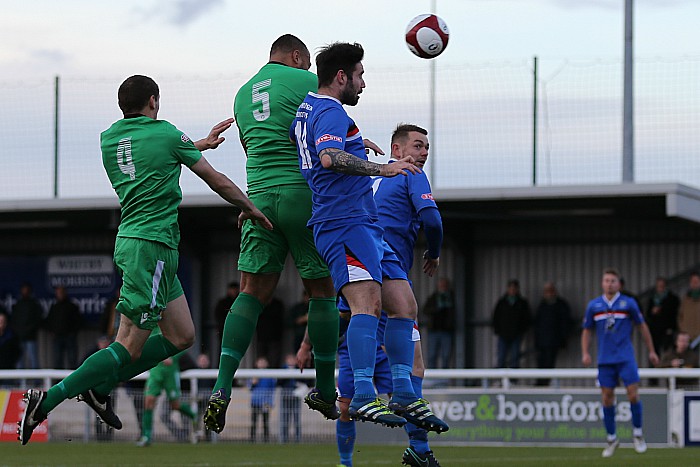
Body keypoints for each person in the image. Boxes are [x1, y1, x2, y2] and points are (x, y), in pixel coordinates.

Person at [18, 74, 272, 445]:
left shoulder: (109, 139)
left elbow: (153, 156)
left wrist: (197, 144)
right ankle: (48, 399)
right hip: (151, 247)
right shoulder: (167, 134)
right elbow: (214, 179)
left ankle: (99, 387)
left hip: (140, 244)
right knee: (128, 345)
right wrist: (250, 207)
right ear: (153, 101)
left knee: (182, 334)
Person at [290, 42, 447, 433]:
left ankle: (405, 394)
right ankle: (362, 394)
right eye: (359, 75)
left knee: (404, 305)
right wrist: (384, 168)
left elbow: (330, 149)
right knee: (367, 306)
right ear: (341, 77)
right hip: (342, 221)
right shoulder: (328, 109)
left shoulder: (312, 108)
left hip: (366, 222)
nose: (363, 83)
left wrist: (358, 145)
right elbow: (329, 158)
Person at [205, 34, 341, 434]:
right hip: (302, 194)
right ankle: (325, 390)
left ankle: (222, 386)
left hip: (258, 197)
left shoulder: (243, 93)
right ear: (298, 57)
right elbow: (322, 133)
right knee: (322, 290)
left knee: (250, 293)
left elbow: (250, 149)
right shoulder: (306, 82)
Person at [581, 267, 659, 458]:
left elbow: (642, 326)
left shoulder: (628, 303)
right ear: (602, 283)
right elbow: (587, 330)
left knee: (633, 394)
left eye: (613, 281)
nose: (609, 284)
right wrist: (585, 352)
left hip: (625, 357)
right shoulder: (594, 306)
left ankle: (638, 434)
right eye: (606, 280)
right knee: (607, 397)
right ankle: (611, 438)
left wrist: (651, 351)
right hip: (605, 359)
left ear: (619, 284)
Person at [136, 330, 198, 447]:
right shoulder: (150, 325)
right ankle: (147, 436)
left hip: (170, 373)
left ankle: (193, 416)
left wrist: (172, 357)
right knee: (148, 401)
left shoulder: (171, 324)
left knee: (175, 405)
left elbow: (185, 343)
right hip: (156, 371)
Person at [533, 281, 572, 386]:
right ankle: (540, 383)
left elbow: (565, 323)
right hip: (542, 341)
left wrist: (563, 339)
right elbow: (537, 324)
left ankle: (546, 383)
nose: (548, 294)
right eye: (546, 291)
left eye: (550, 291)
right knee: (540, 363)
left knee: (549, 363)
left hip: (554, 340)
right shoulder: (542, 306)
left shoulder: (561, 305)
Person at [492, 279, 531, 369]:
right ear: (507, 289)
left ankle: (513, 381)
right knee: (501, 357)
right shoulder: (502, 302)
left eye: (514, 288)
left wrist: (521, 331)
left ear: (517, 289)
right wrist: (498, 330)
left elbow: (527, 318)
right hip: (503, 334)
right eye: (511, 288)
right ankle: (499, 379)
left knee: (515, 358)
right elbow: (495, 317)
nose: (512, 290)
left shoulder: (522, 303)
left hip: (516, 335)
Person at [45, 286, 83, 369]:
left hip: (70, 337)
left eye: (61, 292)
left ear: (65, 293)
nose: (60, 295)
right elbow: (48, 321)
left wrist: (73, 332)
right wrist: (52, 332)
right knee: (57, 361)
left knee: (72, 360)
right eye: (58, 293)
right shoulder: (54, 307)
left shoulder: (72, 306)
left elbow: (79, 321)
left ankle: (73, 381)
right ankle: (59, 381)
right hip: (57, 337)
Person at [422, 277, 455, 369]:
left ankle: (445, 380)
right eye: (441, 285)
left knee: (446, 356)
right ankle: (433, 379)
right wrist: (436, 309)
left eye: (444, 285)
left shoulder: (452, 298)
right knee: (432, 355)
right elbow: (425, 310)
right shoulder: (433, 298)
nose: (443, 287)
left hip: (446, 331)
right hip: (434, 330)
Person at [645, 276, 680, 362]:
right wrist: (653, 312)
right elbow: (647, 314)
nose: (660, 288)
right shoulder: (652, 299)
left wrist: (671, 328)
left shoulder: (673, 299)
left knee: (667, 352)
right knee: (655, 352)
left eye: (662, 286)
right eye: (658, 286)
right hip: (655, 330)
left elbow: (675, 315)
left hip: (667, 330)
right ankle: (654, 373)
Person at [11, 282, 43, 370]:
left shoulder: (34, 304)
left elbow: (38, 320)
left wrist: (28, 330)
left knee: (33, 359)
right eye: (23, 290)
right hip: (19, 337)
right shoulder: (18, 304)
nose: (25, 292)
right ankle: (20, 381)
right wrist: (18, 331)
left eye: (27, 290)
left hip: (31, 336)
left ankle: (37, 381)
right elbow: (13, 320)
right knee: (19, 360)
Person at [249, 356, 276, 443]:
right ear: (256, 364)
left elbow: (272, 389)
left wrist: (270, 402)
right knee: (254, 421)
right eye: (260, 362)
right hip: (255, 401)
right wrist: (253, 383)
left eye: (263, 362)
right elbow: (250, 387)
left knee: (265, 421)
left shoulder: (269, 375)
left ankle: (266, 439)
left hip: (265, 401)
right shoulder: (253, 374)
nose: (262, 364)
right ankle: (252, 439)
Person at [279, 353, 302, 443]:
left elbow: (306, 381)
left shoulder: (299, 368)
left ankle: (298, 438)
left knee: (296, 417)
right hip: (285, 395)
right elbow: (279, 382)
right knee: (284, 417)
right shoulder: (283, 369)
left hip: (296, 395)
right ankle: (283, 438)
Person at [255, 297, 285, 367]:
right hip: (261, 336)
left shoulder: (277, 304)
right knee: (260, 361)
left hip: (275, 337)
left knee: (274, 360)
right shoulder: (259, 303)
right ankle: (259, 377)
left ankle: (273, 378)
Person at [678, 272, 700, 344]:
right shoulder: (686, 299)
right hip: (687, 336)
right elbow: (680, 315)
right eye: (692, 282)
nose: (694, 283)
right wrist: (683, 328)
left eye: (696, 281)